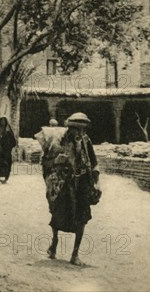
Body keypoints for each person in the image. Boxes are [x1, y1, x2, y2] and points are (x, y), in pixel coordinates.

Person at [44, 112, 100, 266]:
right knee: (58, 214)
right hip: (64, 183)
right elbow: (47, 163)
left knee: (82, 217)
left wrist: (96, 181)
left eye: (83, 130)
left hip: (82, 183)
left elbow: (94, 162)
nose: (80, 133)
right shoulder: (59, 142)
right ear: (71, 129)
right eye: (77, 129)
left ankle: (75, 254)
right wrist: (57, 160)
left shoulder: (86, 141)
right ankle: (54, 242)